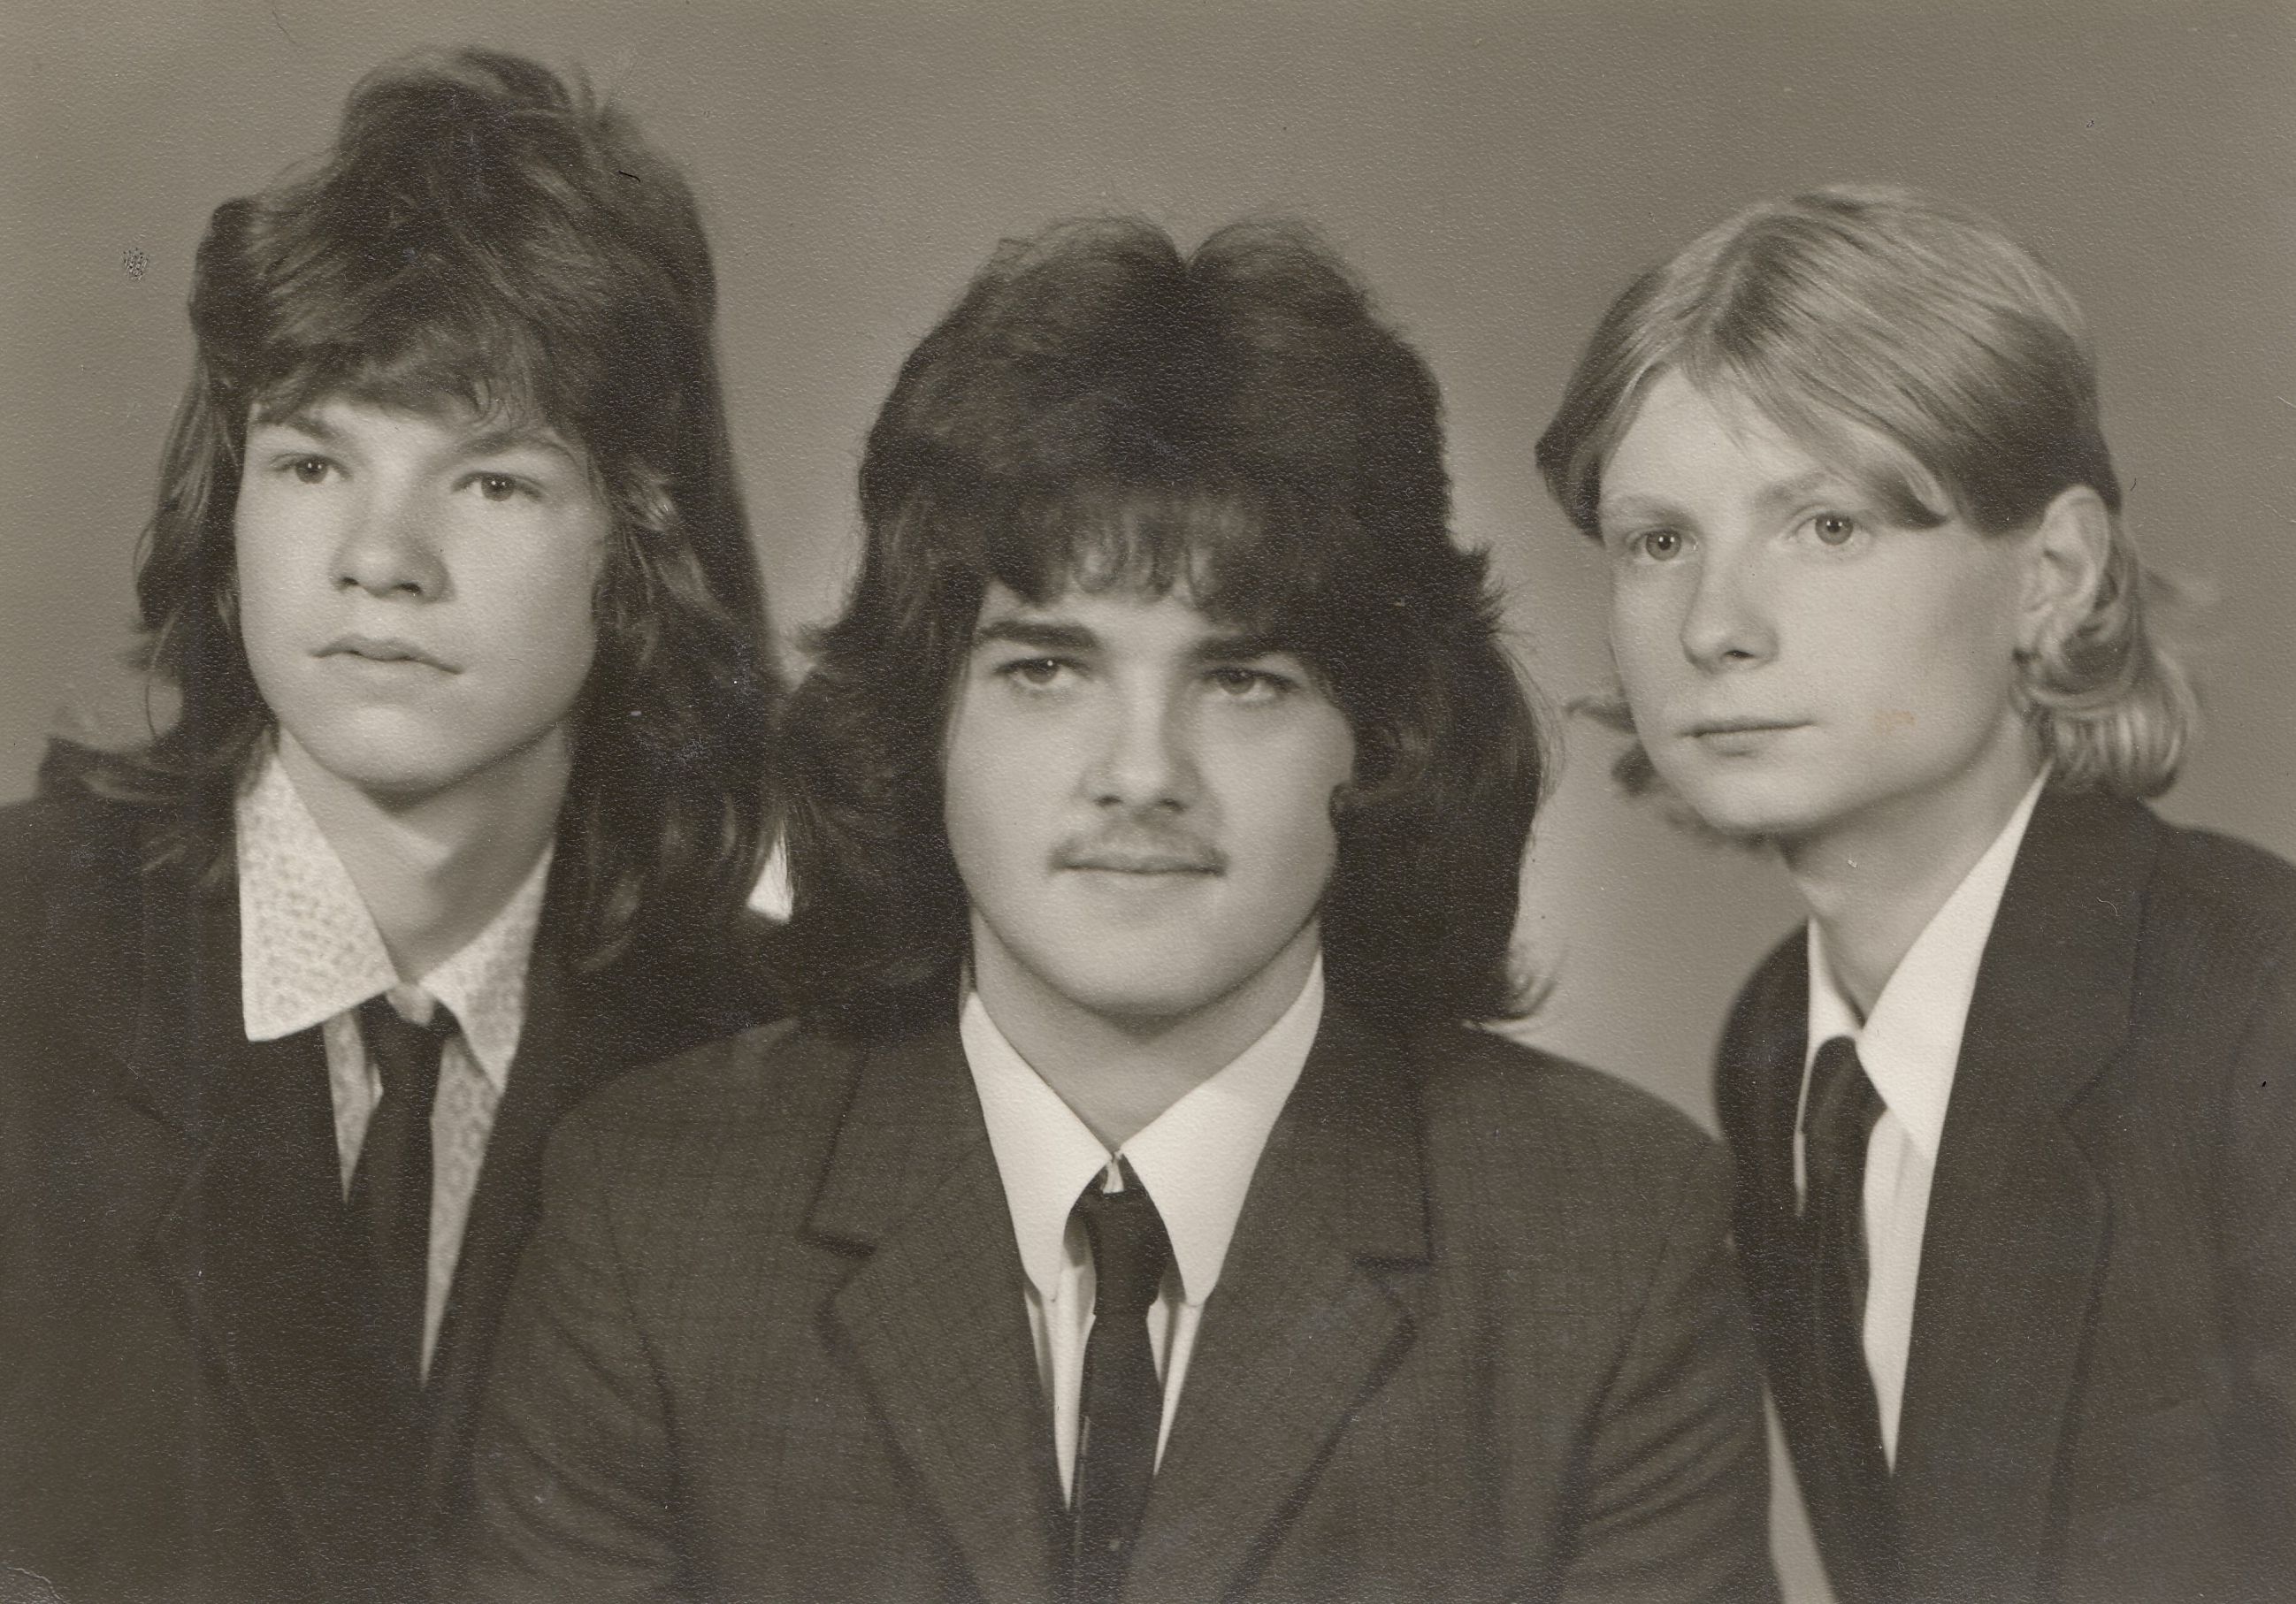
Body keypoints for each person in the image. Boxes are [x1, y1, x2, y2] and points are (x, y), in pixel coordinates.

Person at [460, 217, 1779, 1603]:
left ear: (1383, 736)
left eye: (1243, 679)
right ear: (924, 718)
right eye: (1047, 670)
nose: (1142, 775)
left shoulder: (1612, 1239)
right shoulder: (653, 1210)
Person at [0, 48, 782, 1604]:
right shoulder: (21, 959)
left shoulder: (765, 1050)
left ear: (641, 543)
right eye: (312, 461)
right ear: (228, 514)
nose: (381, 557)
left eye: (491, 482)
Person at [1536, 183, 2296, 1604]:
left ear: (2052, 576)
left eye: (1827, 525)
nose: (1716, 627)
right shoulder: (1781, 1046)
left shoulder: (2263, 1008)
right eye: (1659, 540)